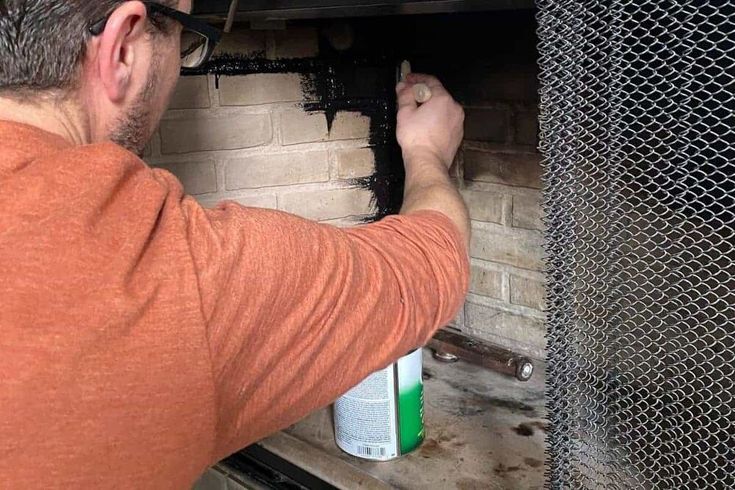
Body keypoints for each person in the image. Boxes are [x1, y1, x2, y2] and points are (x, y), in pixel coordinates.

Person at [0, 1, 469, 487]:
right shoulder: (166, 273)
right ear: (122, 49)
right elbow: (426, 266)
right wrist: (427, 151)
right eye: (184, 41)